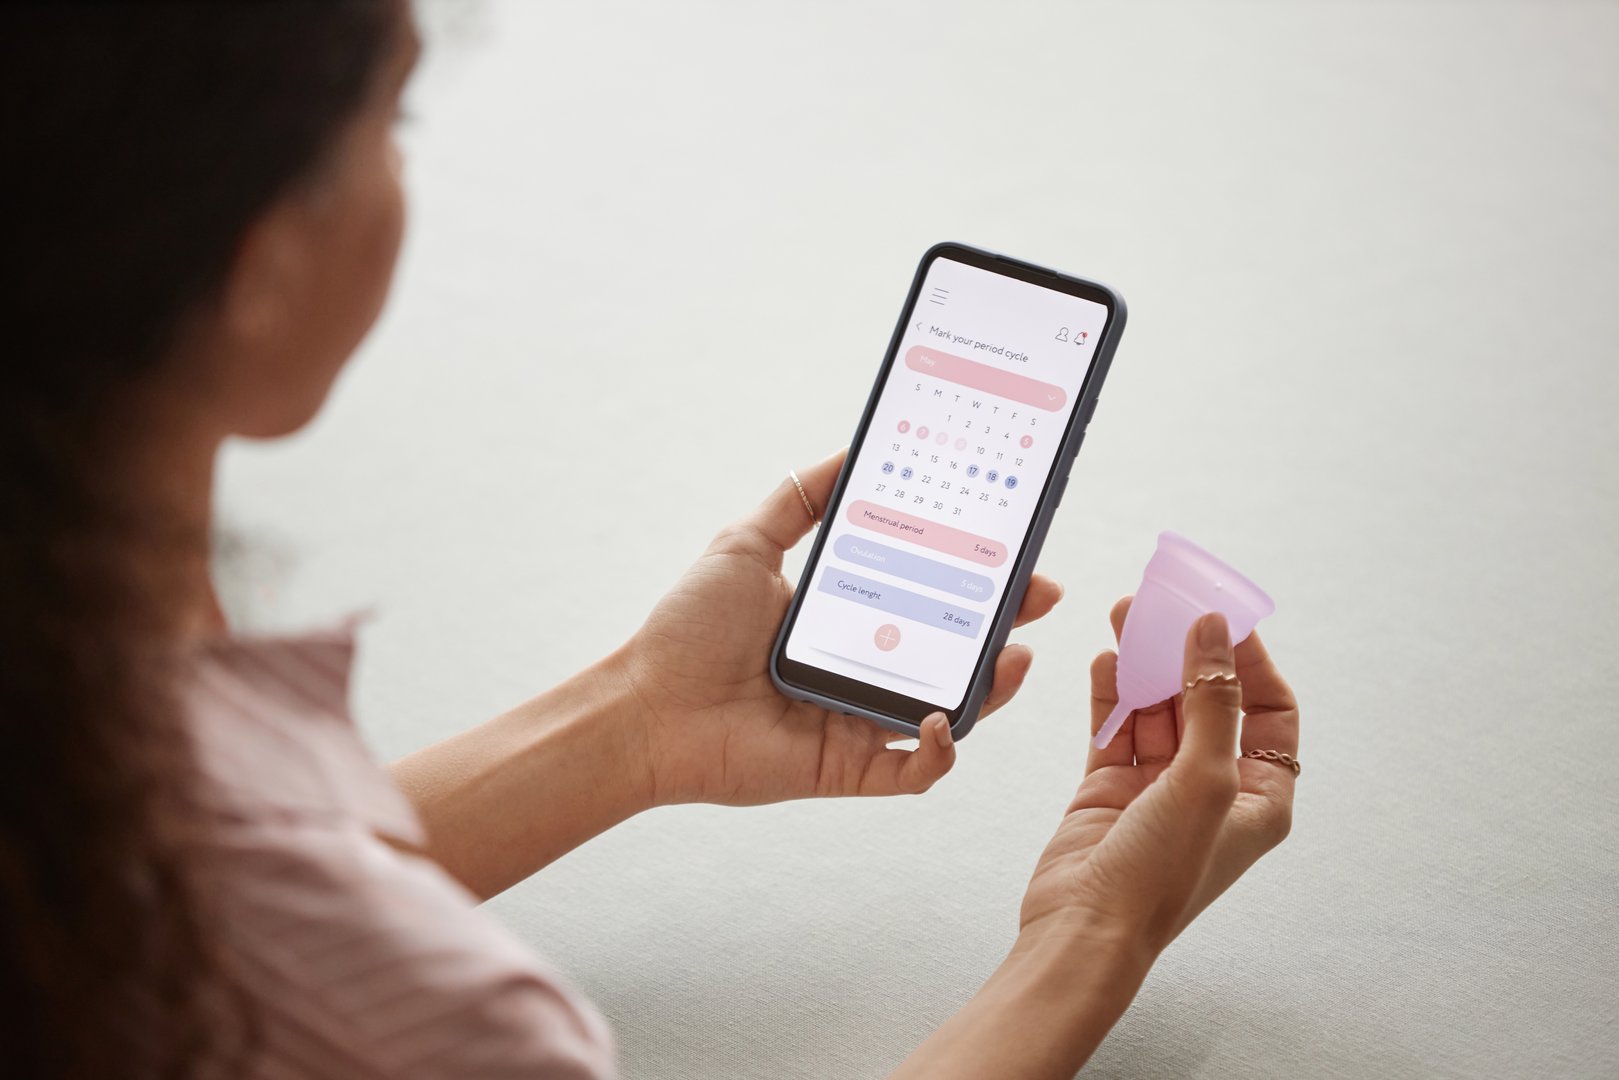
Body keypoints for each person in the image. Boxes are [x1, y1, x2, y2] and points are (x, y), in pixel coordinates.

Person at [0, 3, 1300, 1077]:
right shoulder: (464, 1030)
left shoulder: (78, 753)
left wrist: (640, 719)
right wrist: (1093, 937)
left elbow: (183, 887)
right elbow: (267, 917)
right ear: (263, 262)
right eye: (390, 116)